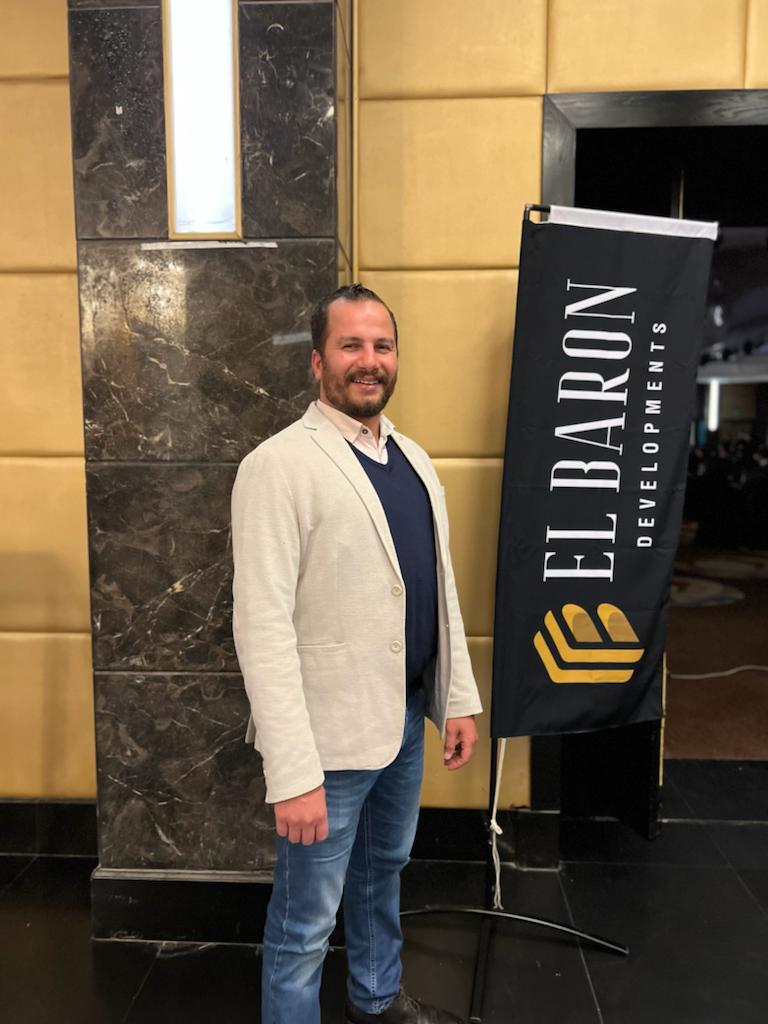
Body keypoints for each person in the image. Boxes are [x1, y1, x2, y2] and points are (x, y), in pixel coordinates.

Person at [231, 283, 482, 1024]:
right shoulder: (277, 466)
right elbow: (262, 626)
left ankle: (376, 997)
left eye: (382, 345)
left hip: (403, 720)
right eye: (350, 345)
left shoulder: (414, 461)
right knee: (306, 919)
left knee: (383, 875)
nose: (368, 360)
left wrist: (456, 698)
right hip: (327, 744)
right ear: (318, 362)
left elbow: (437, 590)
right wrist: (292, 771)